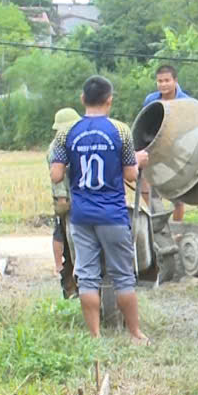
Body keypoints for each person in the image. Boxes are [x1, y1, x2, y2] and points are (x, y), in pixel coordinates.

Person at [50, 75, 149, 344]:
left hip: (81, 216)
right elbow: (130, 173)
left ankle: (94, 336)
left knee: (88, 276)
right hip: (113, 215)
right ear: (109, 100)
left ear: (83, 99)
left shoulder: (65, 133)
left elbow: (56, 174)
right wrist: (137, 160)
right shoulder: (120, 131)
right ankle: (135, 334)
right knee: (123, 277)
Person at [140, 64, 192, 223]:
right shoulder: (151, 100)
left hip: (176, 153)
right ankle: (148, 224)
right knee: (147, 190)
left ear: (175, 81)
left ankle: (177, 229)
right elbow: (144, 122)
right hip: (153, 149)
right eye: (160, 81)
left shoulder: (187, 102)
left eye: (167, 80)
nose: (163, 84)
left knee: (177, 195)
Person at [48, 107, 81, 298]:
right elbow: (57, 178)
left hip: (76, 198)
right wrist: (62, 200)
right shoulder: (56, 148)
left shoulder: (74, 142)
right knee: (66, 239)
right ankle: (70, 286)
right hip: (67, 200)